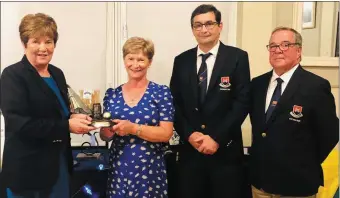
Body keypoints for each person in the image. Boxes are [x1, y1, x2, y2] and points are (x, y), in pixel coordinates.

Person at [0, 13, 95, 198]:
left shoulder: (57, 73)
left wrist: (73, 118)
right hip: (28, 172)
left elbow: (56, 113)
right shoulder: (12, 76)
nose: (43, 48)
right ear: (24, 43)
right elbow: (19, 124)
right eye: (36, 41)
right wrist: (66, 125)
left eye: (49, 41)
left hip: (58, 166)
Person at [170, 4, 250, 198]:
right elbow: (174, 104)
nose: (203, 29)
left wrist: (216, 138)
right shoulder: (181, 60)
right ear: (192, 29)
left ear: (220, 26)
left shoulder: (237, 57)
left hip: (225, 153)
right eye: (198, 25)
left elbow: (242, 102)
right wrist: (189, 135)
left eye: (209, 24)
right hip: (191, 152)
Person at [249, 26, 339, 198]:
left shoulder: (315, 86)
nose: (278, 50)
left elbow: (330, 133)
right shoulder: (257, 84)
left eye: (285, 44)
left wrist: (303, 161)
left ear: (298, 51)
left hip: (297, 184)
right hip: (261, 184)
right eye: (273, 46)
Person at [101, 37, 174, 198]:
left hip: (149, 169)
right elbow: (105, 136)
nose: (135, 64)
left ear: (150, 62)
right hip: (119, 168)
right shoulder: (112, 95)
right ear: (124, 60)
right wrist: (107, 130)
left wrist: (133, 128)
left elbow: (166, 133)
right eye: (131, 59)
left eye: (141, 59)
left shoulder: (161, 93)